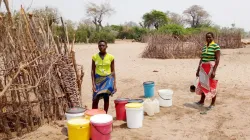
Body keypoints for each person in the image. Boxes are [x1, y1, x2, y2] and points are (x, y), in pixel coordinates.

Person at [195, 32, 220, 109]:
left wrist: (214, 71)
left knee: (212, 85)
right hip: (203, 67)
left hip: (210, 67)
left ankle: (213, 103)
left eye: (210, 37)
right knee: (202, 83)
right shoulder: (204, 46)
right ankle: (202, 101)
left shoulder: (216, 46)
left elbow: (218, 59)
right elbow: (201, 59)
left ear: (213, 38)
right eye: (207, 37)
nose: (208, 39)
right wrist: (198, 69)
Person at [91, 40, 117, 113]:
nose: (101, 47)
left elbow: (113, 71)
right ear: (98, 47)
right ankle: (93, 114)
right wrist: (93, 84)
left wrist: (114, 84)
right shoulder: (94, 57)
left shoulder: (111, 57)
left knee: (106, 98)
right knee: (95, 98)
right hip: (98, 80)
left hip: (108, 80)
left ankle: (105, 114)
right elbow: (92, 71)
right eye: (100, 45)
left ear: (106, 46)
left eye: (103, 45)